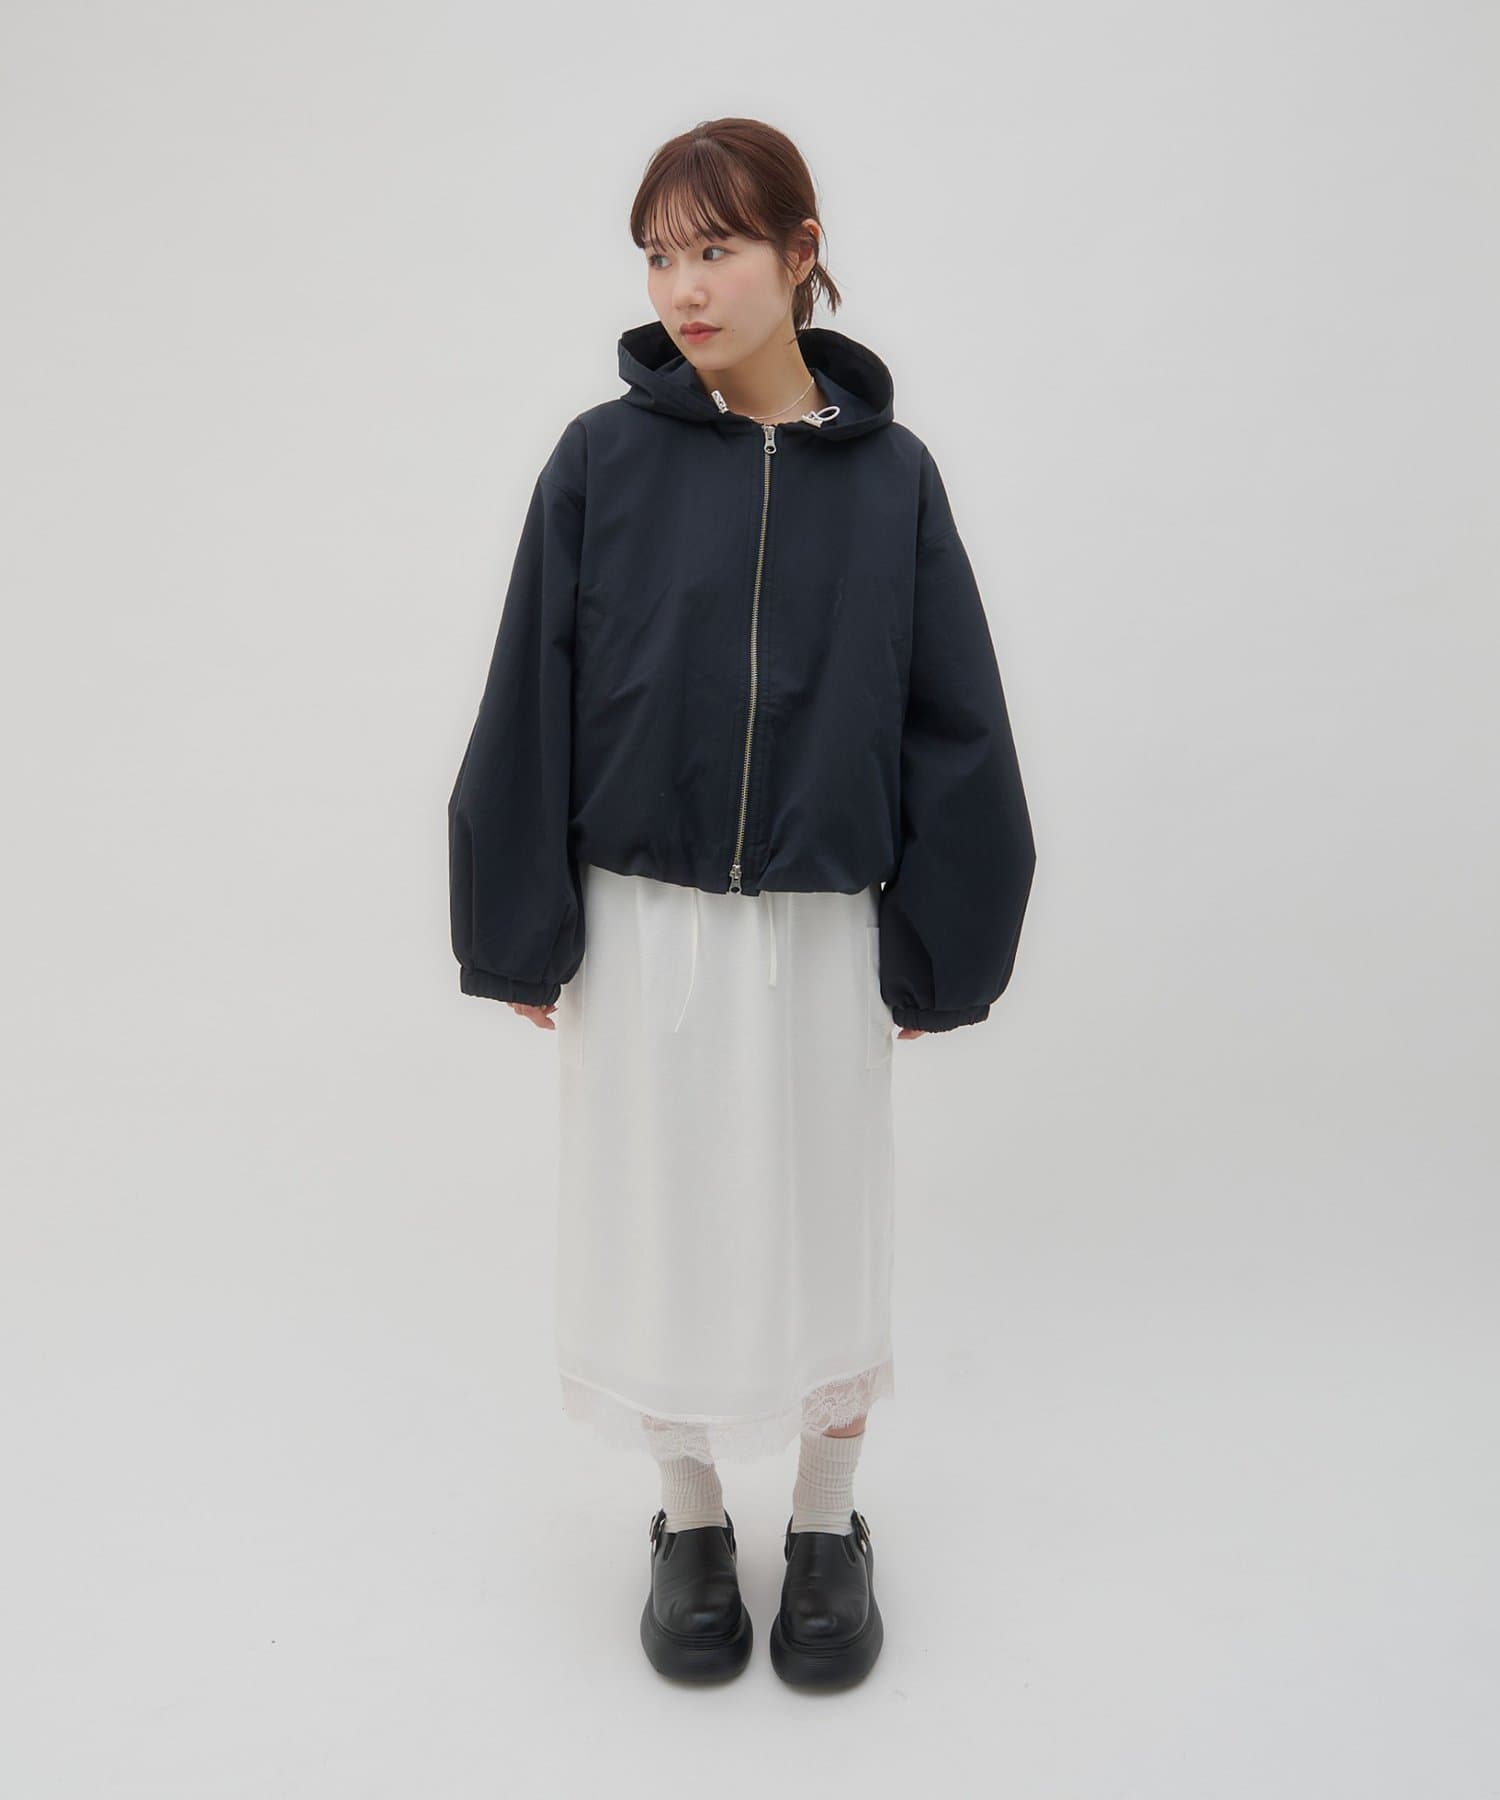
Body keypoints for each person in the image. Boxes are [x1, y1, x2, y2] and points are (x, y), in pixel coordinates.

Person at [448, 117, 1037, 1689]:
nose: (684, 287)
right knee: (657, 1214)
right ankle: (692, 1517)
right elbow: (531, 693)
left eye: (715, 248)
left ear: (799, 250)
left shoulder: (893, 479)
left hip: (820, 920)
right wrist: (516, 923)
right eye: (659, 254)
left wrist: (944, 941)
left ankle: (829, 1523)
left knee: (826, 1211)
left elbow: (954, 719)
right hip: (643, 915)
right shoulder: (601, 461)